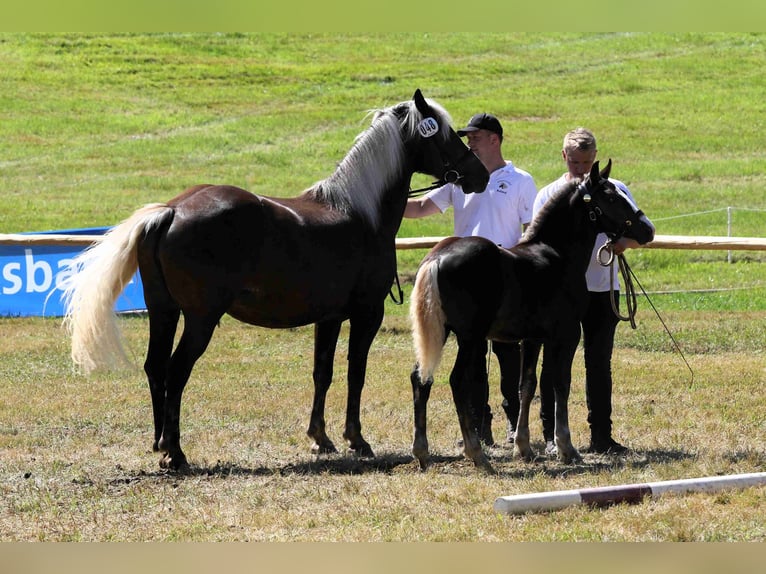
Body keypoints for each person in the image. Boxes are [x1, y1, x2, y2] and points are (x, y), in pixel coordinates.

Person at [404, 112, 538, 445]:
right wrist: (389, 200)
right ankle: (479, 426)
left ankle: (513, 423)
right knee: (472, 357)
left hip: (507, 277)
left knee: (510, 356)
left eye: (475, 137)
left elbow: (530, 230)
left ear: (495, 139)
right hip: (465, 279)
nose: (468, 143)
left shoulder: (521, 180)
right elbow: (422, 208)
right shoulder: (459, 179)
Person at [533, 127, 655, 455]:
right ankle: (550, 435)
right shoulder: (548, 194)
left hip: (602, 289)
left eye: (587, 162)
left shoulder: (615, 189)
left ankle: (601, 435)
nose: (582, 169)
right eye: (575, 162)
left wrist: (623, 244)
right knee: (554, 362)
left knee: (599, 362)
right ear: (564, 157)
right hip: (559, 293)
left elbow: (645, 231)